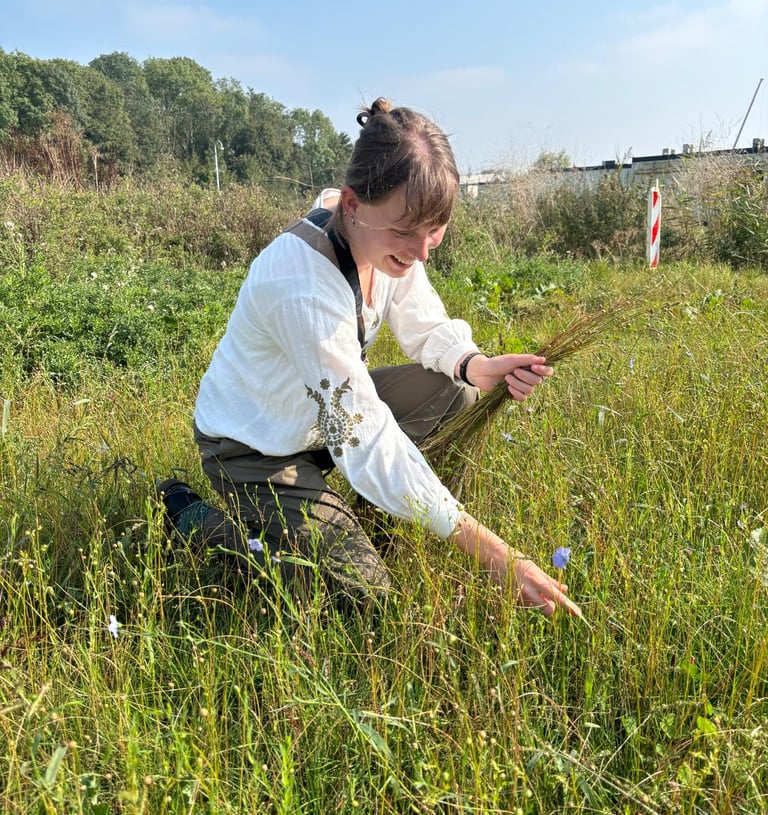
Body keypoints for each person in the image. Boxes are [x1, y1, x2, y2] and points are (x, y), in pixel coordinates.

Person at [158, 97, 581, 618]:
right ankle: (195, 518)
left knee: (456, 391)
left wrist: (474, 365)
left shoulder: (382, 238)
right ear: (353, 205)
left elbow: (424, 323)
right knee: (363, 598)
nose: (423, 251)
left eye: (435, 229)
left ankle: (376, 525)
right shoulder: (302, 286)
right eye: (406, 232)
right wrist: (494, 553)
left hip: (317, 419)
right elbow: (366, 436)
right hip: (256, 446)